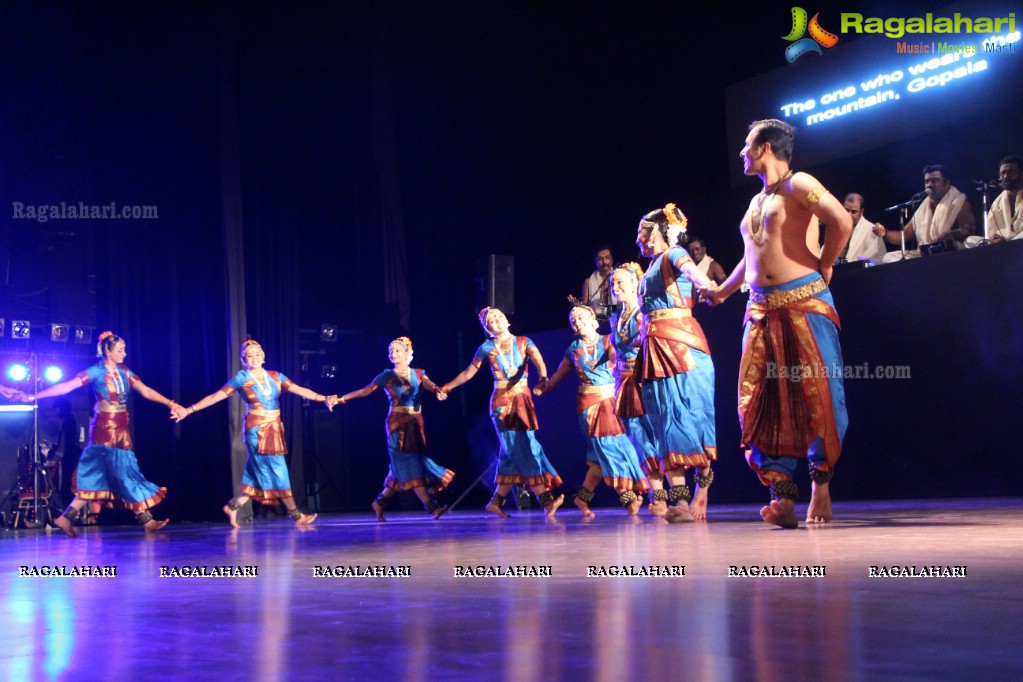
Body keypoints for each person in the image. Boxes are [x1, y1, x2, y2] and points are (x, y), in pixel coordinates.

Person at [701, 118, 851, 528]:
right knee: (761, 402)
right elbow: (750, 257)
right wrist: (722, 293)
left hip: (804, 303)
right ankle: (782, 496)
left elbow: (841, 221)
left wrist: (825, 264)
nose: (742, 153)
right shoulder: (756, 201)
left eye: (747, 145)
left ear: (765, 147)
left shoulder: (799, 184)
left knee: (818, 394)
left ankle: (821, 483)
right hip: (760, 310)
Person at [15, 331, 172, 536]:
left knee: (107, 474)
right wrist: (33, 396)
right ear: (107, 351)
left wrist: (171, 403)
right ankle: (147, 520)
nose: (124, 354)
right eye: (120, 350)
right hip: (105, 429)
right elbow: (66, 387)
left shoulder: (125, 372)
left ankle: (66, 517)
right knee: (122, 472)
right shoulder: (96, 371)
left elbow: (146, 390)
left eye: (124, 350)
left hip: (121, 427)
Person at [172, 339, 334, 527]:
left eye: (257, 354)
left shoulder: (276, 376)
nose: (254, 358)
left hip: (274, 426)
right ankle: (297, 515)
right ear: (244, 359)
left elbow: (300, 390)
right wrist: (189, 409)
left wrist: (323, 398)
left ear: (263, 357)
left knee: (257, 471)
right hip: (256, 430)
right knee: (277, 467)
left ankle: (233, 506)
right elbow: (216, 396)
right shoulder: (242, 378)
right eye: (250, 355)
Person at [635, 204, 718, 522]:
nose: (638, 238)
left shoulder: (673, 254)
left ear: (657, 230)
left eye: (642, 230)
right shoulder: (652, 266)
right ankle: (680, 503)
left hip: (682, 347)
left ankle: (702, 493)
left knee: (691, 418)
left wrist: (704, 283)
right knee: (667, 424)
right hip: (655, 349)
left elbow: (690, 268)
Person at [439, 307, 564, 518]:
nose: (496, 319)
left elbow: (538, 361)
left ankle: (495, 503)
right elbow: (469, 372)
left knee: (512, 453)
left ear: (506, 320)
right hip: (501, 403)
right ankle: (546, 501)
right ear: (488, 329)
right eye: (491, 320)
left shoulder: (524, 341)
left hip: (523, 399)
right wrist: (447, 387)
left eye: (498, 315)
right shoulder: (487, 347)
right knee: (524, 450)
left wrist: (543, 379)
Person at [534, 305, 649, 517]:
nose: (576, 322)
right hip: (589, 405)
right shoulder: (573, 350)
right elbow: (556, 378)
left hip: (612, 402)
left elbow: (625, 362)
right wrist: (544, 386)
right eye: (573, 320)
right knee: (608, 450)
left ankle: (582, 497)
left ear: (594, 321)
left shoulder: (608, 341)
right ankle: (627, 498)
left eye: (580, 317)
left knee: (600, 456)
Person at [337, 336, 454, 521]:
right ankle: (431, 507)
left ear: (408, 353)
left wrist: (437, 390)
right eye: (391, 351)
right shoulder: (386, 376)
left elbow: (428, 383)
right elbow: (365, 390)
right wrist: (342, 398)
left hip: (416, 422)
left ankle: (380, 502)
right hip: (397, 423)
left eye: (398, 350)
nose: (394, 353)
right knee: (412, 463)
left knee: (400, 466)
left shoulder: (418, 373)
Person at [608, 262, 663, 515]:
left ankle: (666, 492)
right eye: (612, 283)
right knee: (638, 439)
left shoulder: (642, 314)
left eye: (621, 282)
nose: (616, 287)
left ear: (634, 284)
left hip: (643, 381)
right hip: (623, 383)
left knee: (653, 435)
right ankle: (657, 495)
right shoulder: (614, 318)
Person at [878, 164, 975, 258]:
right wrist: (885, 233)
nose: (929, 185)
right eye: (927, 181)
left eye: (934, 180)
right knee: (889, 257)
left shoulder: (959, 201)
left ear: (947, 183)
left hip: (951, 252)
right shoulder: (923, 207)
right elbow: (904, 235)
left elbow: (969, 229)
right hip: (926, 252)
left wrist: (949, 234)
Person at [975, 155, 1023, 243]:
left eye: (1011, 172)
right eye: (1003, 173)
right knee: (970, 239)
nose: (1006, 176)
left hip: (1019, 240)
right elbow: (991, 231)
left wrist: (1006, 240)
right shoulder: (998, 202)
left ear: (1021, 174)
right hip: (1004, 243)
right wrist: (995, 238)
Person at [831, 193, 887, 263]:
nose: (849, 214)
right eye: (846, 210)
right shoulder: (836, 226)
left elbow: (878, 259)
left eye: (853, 211)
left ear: (861, 211)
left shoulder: (871, 230)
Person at [567, 246, 614, 320]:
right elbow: (585, 307)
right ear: (595, 262)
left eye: (607, 257)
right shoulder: (588, 282)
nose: (604, 262)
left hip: (618, 320)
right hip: (597, 322)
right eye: (600, 259)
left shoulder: (621, 278)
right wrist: (578, 305)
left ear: (612, 260)